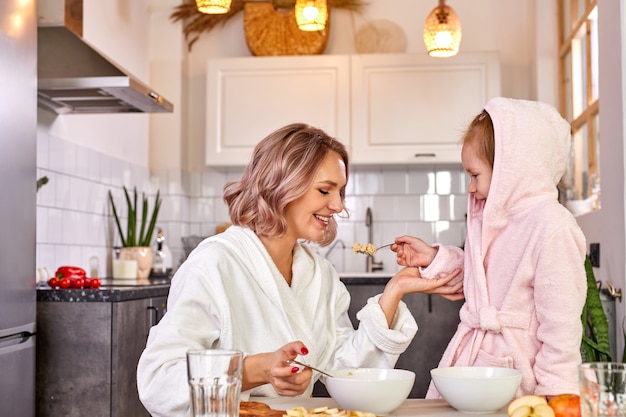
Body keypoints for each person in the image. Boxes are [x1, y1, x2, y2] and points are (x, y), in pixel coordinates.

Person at [136, 122, 462, 417]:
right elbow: (158, 379)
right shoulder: (214, 263)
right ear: (282, 186)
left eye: (340, 192)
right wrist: (255, 369)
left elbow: (343, 369)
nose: (338, 206)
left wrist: (394, 291)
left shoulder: (319, 274)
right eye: (325, 190)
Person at [392, 97, 587, 398]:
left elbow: (561, 327)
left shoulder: (552, 226)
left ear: (511, 172)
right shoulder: (496, 222)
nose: (470, 187)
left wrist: (558, 392)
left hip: (520, 378)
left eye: (474, 175)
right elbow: (482, 281)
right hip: (477, 367)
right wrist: (434, 258)